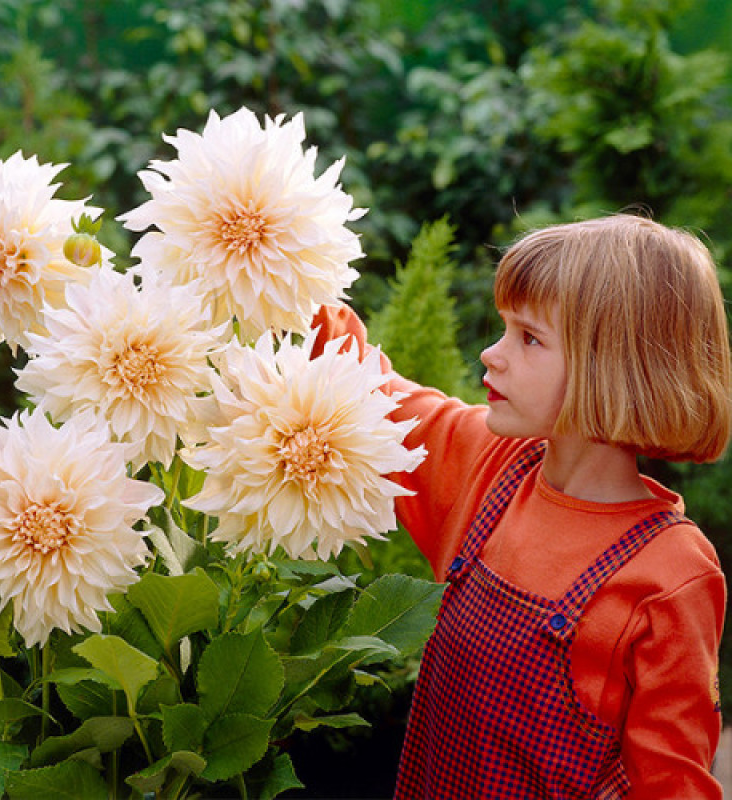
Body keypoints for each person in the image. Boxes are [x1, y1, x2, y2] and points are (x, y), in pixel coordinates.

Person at [310, 214, 731, 799]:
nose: (492, 354)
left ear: (615, 367)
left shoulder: (671, 576)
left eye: (528, 338)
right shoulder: (487, 463)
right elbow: (359, 380)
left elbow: (673, 785)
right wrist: (279, 260)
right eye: (504, 328)